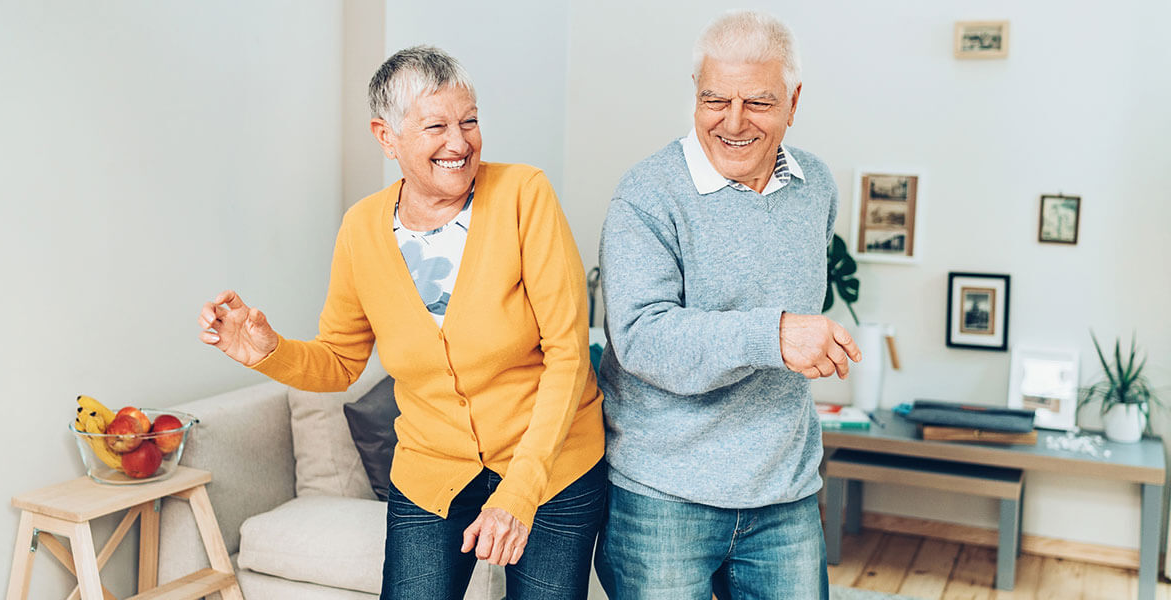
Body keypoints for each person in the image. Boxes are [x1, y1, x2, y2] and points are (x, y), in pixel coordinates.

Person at [198, 46, 605, 600]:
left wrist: (521, 490)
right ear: (386, 137)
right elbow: (341, 362)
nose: (460, 143)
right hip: (430, 470)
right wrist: (270, 351)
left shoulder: (523, 194)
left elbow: (567, 354)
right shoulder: (361, 230)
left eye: (470, 121)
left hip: (551, 464)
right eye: (436, 126)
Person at [593, 11, 861, 600]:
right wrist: (774, 335)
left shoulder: (815, 186)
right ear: (696, 93)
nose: (733, 122)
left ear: (794, 101)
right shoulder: (647, 194)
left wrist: (784, 335)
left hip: (783, 495)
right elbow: (642, 337)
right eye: (715, 99)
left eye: (759, 104)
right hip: (663, 499)